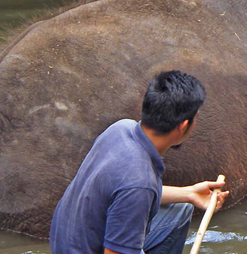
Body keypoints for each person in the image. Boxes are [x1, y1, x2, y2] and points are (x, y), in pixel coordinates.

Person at [49, 70, 229, 254]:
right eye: (196, 117)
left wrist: (189, 193)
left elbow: (122, 191)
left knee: (180, 210)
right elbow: (135, 189)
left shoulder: (120, 128)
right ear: (183, 125)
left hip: (65, 243)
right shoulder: (139, 182)